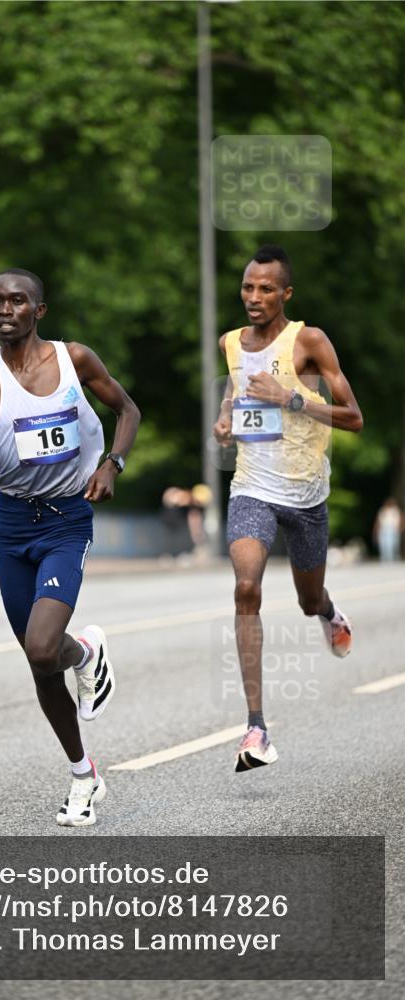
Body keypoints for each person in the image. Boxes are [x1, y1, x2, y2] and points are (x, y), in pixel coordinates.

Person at [0, 269, 140, 825]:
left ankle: (79, 653)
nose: (4, 309)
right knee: (41, 666)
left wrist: (113, 464)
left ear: (40, 310)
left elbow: (128, 411)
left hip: (66, 519)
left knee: (40, 647)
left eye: (17, 301)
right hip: (11, 525)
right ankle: (84, 774)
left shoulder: (74, 360)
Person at [213, 245, 363, 772]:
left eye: (267, 289)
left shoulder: (308, 340)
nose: (255, 297)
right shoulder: (229, 343)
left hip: (307, 497)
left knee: (306, 598)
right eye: (248, 287)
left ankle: (328, 612)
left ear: (286, 294)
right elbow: (237, 392)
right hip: (252, 487)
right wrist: (226, 418)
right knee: (247, 585)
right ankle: (256, 728)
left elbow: (353, 417)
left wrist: (291, 399)